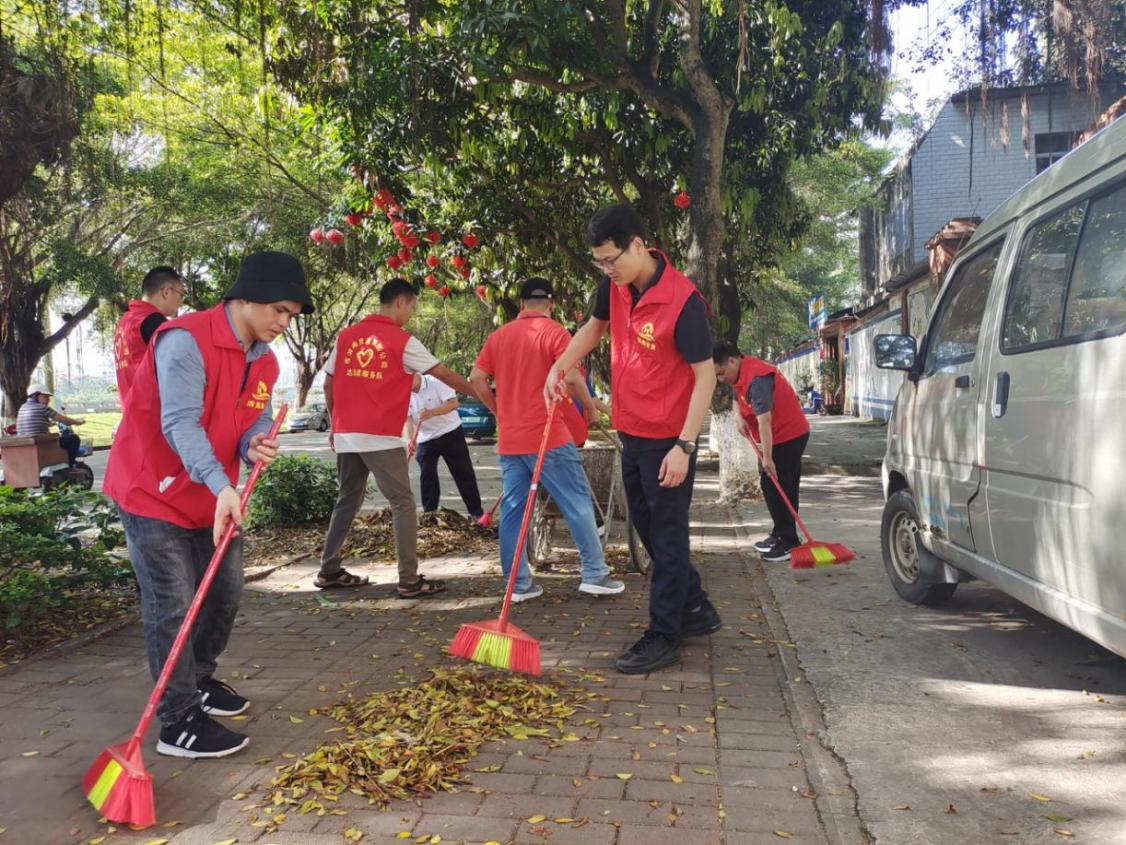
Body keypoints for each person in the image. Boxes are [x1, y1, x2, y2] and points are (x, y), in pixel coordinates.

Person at [103, 250, 313, 759]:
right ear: (246, 298)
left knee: (224, 594)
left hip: (213, 496)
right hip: (153, 492)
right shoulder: (184, 340)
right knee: (171, 605)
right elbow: (180, 423)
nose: (284, 323)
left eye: (291, 315)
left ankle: (198, 679)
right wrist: (222, 484)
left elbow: (253, 417)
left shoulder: (265, 359)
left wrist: (252, 442)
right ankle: (177, 721)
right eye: (280, 311)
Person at [545, 204, 721, 674]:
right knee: (645, 525)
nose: (607, 269)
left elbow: (705, 378)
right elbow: (594, 328)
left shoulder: (683, 303)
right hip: (633, 431)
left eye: (612, 259)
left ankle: (665, 634)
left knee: (667, 535)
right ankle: (695, 606)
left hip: (669, 441)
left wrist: (685, 446)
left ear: (638, 245)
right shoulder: (615, 286)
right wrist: (559, 367)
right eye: (599, 262)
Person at [316, 278, 478, 597]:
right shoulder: (401, 340)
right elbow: (443, 374)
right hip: (380, 435)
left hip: (347, 433)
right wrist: (484, 395)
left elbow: (328, 383)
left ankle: (328, 569)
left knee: (347, 498)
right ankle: (408, 579)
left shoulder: (346, 336)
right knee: (403, 502)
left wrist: (336, 424)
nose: (410, 315)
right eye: (411, 307)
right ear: (401, 302)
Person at [470, 277, 625, 602]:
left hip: (511, 440)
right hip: (548, 435)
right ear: (551, 304)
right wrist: (590, 410)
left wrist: (499, 410)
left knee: (514, 511)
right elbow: (572, 377)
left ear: (521, 304)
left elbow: (477, 379)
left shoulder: (498, 337)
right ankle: (595, 574)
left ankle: (518, 584)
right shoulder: (555, 332)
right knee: (576, 502)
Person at [713, 342, 811, 562]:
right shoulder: (741, 371)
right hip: (778, 436)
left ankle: (789, 542)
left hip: (788, 435)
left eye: (721, 373)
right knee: (773, 485)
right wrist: (738, 416)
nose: (720, 379)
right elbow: (736, 395)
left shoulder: (757, 378)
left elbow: (764, 421)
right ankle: (780, 533)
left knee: (780, 486)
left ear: (732, 361)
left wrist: (767, 458)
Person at [407, 372, 484, 520]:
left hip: (450, 432)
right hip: (426, 438)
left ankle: (476, 512)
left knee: (463, 473)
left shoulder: (436, 381)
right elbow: (408, 419)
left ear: (415, 373)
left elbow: (453, 403)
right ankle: (429, 514)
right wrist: (411, 439)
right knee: (426, 474)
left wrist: (432, 413)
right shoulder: (403, 392)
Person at [113, 266, 186, 404]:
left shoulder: (124, 321)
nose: (181, 302)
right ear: (166, 292)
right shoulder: (153, 321)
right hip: (152, 411)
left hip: (130, 411)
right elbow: (177, 369)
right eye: (181, 295)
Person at [16, 385, 85, 466]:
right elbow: (64, 420)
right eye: (46, 396)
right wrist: (77, 422)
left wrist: (50, 423)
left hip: (27, 443)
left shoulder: (23, 407)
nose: (48, 400)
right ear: (37, 396)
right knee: (74, 438)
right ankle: (70, 464)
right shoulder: (42, 407)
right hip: (42, 443)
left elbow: (36, 422)